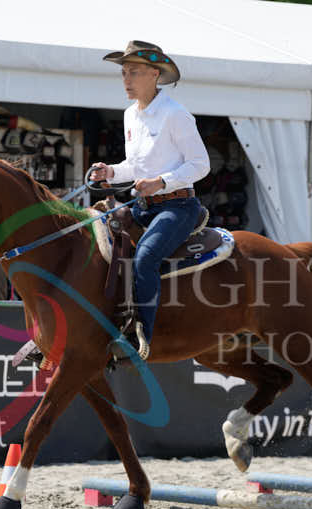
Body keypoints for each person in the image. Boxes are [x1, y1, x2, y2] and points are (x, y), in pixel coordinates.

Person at [88, 41, 209, 360]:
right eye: (124, 73)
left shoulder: (175, 114)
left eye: (134, 72)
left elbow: (201, 165)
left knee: (144, 257)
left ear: (155, 74)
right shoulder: (130, 115)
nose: (126, 79)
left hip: (178, 207)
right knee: (97, 242)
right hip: (143, 207)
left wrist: (161, 181)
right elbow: (136, 166)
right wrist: (110, 171)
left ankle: (138, 336)